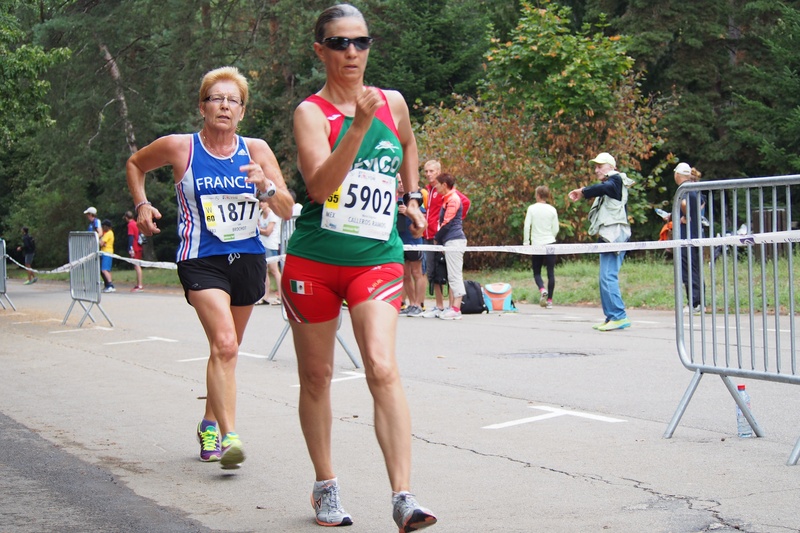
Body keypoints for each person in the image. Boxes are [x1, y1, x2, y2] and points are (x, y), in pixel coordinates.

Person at [284, 4, 436, 530]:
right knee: (317, 375)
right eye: (340, 42)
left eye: (362, 42)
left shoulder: (393, 102)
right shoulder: (311, 112)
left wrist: (412, 194)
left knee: (382, 365)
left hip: (377, 257)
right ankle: (325, 486)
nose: (353, 52)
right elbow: (320, 187)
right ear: (320, 49)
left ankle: (404, 497)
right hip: (316, 262)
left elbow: (409, 143)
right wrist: (358, 124)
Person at [125, 65, 294, 469]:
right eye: (216, 98)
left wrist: (266, 188)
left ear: (242, 111)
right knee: (224, 343)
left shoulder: (256, 150)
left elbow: (286, 208)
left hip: (248, 259)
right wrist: (142, 203)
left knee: (226, 351)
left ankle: (207, 423)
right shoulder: (180, 146)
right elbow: (135, 164)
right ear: (202, 107)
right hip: (201, 259)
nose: (224, 105)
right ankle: (229, 436)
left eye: (232, 100)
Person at [568, 152, 634, 331]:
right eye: (595, 166)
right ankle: (611, 316)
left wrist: (582, 191)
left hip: (615, 236)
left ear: (611, 167)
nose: (596, 169)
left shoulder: (616, 180)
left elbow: (603, 188)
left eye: (600, 165)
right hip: (608, 236)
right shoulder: (609, 184)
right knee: (604, 277)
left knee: (608, 276)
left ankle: (619, 316)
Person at [420, 160, 470, 318]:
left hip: (447, 237)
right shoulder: (428, 190)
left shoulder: (451, 195)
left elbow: (463, 204)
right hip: (434, 237)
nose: (428, 174)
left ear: (439, 173)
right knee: (434, 273)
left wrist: (456, 223)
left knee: (451, 273)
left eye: (431, 171)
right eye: (426, 171)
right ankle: (439, 306)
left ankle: (454, 307)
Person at [431, 173, 467, 320]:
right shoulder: (448, 199)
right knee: (453, 274)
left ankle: (456, 309)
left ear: (444, 185)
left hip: (454, 241)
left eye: (438, 184)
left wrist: (436, 238)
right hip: (450, 241)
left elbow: (448, 223)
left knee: (455, 275)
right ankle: (454, 307)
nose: (436, 187)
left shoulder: (453, 199)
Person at [673, 162, 705, 314]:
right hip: (696, 235)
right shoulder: (695, 188)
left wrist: (685, 214)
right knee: (696, 269)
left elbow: (685, 203)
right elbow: (701, 204)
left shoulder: (685, 190)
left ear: (677, 175)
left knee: (688, 270)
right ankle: (699, 302)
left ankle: (694, 303)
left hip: (687, 237)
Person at [523, 185, 559, 309]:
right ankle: (549, 300)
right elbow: (556, 228)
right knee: (551, 272)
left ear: (538, 195)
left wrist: (526, 243)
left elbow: (527, 226)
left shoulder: (532, 208)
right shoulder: (552, 209)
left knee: (537, 272)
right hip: (550, 242)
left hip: (537, 244)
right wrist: (551, 237)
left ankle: (542, 289)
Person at [397, 180, 426, 317]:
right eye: (398, 182)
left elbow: (423, 217)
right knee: (405, 274)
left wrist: (408, 213)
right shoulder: (393, 198)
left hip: (413, 240)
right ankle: (411, 303)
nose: (401, 184)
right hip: (400, 241)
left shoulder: (414, 198)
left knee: (417, 272)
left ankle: (419, 304)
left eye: (403, 181)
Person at [257, 198, 282, 305]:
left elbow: (268, 231)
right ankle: (265, 296)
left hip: (271, 245)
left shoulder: (272, 215)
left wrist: (258, 230)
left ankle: (281, 296)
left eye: (263, 201)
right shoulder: (259, 213)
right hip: (262, 244)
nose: (261, 203)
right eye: (260, 201)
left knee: (274, 270)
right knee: (264, 271)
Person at [123, 211, 144, 292]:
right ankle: (139, 284)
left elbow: (131, 237)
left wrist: (130, 248)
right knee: (137, 265)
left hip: (134, 247)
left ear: (126, 217)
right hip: (139, 246)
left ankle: (140, 285)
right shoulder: (136, 223)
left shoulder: (130, 225)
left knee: (136, 266)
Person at [99, 219, 116, 293]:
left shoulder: (108, 233)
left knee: (104, 270)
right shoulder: (107, 233)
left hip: (107, 252)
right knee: (105, 270)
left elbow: (101, 243)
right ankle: (107, 284)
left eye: (103, 226)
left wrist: (100, 240)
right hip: (104, 252)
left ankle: (110, 285)